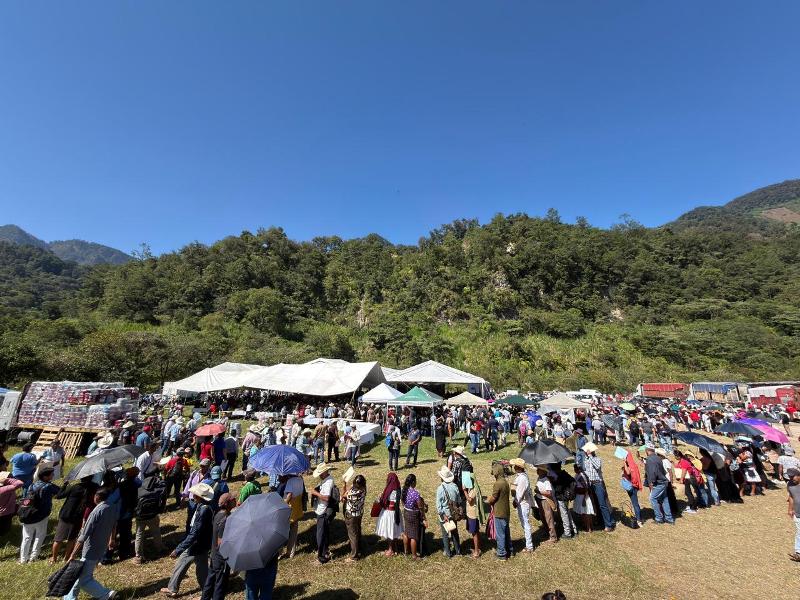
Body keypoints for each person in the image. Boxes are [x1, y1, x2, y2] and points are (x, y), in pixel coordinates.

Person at [63, 487, 120, 600]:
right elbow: (114, 524)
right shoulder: (112, 507)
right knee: (80, 575)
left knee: (85, 579)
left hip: (90, 549)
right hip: (101, 547)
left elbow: (84, 535)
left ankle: (107, 594)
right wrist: (112, 539)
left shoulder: (96, 511)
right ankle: (69, 598)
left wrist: (73, 554)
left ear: (97, 497)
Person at [161, 483, 215, 598]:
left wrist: (178, 549)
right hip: (201, 544)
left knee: (195, 568)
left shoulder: (204, 510)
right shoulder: (202, 507)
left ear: (200, 497)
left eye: (195, 494)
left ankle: (206, 593)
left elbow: (195, 532)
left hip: (197, 544)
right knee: (198, 568)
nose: (193, 496)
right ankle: (174, 589)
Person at [19, 466, 60, 563]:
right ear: (45, 477)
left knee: (26, 538)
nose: (53, 475)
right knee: (39, 536)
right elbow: (60, 491)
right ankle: (33, 557)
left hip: (28, 514)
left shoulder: (32, 485)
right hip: (41, 515)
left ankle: (23, 559)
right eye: (51, 474)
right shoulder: (48, 486)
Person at [200, 492, 236, 600]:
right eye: (233, 500)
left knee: (210, 581)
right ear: (227, 503)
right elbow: (221, 542)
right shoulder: (226, 519)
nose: (235, 500)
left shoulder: (218, 514)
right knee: (220, 585)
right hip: (222, 558)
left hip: (214, 555)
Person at [581, 442, 614, 531]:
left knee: (603, 504)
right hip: (591, 484)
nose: (584, 452)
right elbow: (587, 472)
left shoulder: (597, 459)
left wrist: (590, 456)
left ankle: (609, 524)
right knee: (596, 504)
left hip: (598, 484)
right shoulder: (586, 460)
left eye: (586, 451)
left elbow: (597, 466)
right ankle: (600, 521)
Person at [134, 472, 165, 564]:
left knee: (139, 535)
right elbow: (164, 488)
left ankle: (139, 555)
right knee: (156, 532)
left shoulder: (138, 490)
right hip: (152, 515)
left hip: (140, 516)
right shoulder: (157, 490)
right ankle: (160, 548)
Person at [309, 463, 336, 564]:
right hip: (322, 509)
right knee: (324, 532)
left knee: (320, 534)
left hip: (323, 511)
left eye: (320, 473)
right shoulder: (327, 479)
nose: (319, 475)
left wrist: (315, 493)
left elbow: (326, 498)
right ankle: (325, 551)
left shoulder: (328, 482)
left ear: (325, 472)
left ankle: (322, 557)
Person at [487, 462, 512, 560]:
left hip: (499, 512)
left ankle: (501, 554)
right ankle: (509, 550)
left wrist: (487, 501)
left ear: (496, 473)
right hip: (506, 511)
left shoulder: (498, 484)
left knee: (500, 534)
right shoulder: (505, 482)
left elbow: (493, 498)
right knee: (506, 532)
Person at [436, 466, 462, 558]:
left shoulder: (440, 489)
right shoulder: (455, 486)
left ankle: (447, 552)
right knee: (455, 532)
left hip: (445, 515)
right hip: (453, 513)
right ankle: (458, 550)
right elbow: (459, 500)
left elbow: (438, 506)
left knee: (445, 534)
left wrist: (443, 515)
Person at [376, 472, 404, 556]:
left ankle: (390, 550)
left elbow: (383, 501)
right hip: (396, 512)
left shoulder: (389, 489)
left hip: (389, 513)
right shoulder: (399, 489)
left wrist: (380, 498)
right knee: (394, 529)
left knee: (389, 530)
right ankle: (395, 547)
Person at [645, 445, 674, 525]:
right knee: (664, 499)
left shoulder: (649, 459)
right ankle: (669, 518)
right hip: (663, 481)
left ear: (647, 450)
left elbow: (652, 472)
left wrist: (651, 482)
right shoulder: (658, 458)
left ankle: (659, 518)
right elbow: (662, 470)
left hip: (658, 482)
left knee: (653, 498)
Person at [510, 458, 534, 552]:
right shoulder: (520, 476)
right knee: (524, 522)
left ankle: (529, 545)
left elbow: (520, 493)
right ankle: (528, 541)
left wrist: (515, 501)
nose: (514, 467)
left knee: (525, 523)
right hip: (522, 502)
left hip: (523, 503)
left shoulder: (522, 478)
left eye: (516, 466)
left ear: (519, 467)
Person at [401, 473, 427, 559]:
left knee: (406, 533)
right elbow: (420, 507)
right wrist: (424, 517)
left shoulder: (404, 490)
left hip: (406, 512)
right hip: (413, 515)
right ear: (413, 482)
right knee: (414, 536)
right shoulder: (415, 493)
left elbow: (403, 502)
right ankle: (414, 555)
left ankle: (406, 552)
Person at [280, 472, 304, 559]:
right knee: (294, 531)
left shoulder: (290, 481)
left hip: (289, 508)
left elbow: (289, 495)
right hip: (297, 507)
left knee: (282, 531)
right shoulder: (300, 479)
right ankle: (291, 552)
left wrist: (283, 505)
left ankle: (279, 552)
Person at [343, 474, 367, 562]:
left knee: (352, 535)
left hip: (351, 515)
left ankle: (354, 556)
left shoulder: (352, 494)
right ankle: (359, 547)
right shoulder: (364, 489)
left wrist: (344, 484)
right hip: (359, 512)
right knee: (358, 530)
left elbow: (343, 497)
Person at [463, 470, 486, 558]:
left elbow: (470, 500)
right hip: (471, 513)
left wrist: (464, 491)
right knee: (475, 531)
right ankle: (477, 547)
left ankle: (476, 552)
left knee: (474, 533)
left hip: (473, 514)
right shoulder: (471, 487)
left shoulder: (473, 490)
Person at [551, 463, 576, 539]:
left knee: (564, 515)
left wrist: (553, 482)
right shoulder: (564, 473)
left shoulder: (558, 476)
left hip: (561, 498)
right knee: (567, 513)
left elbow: (558, 489)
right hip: (566, 497)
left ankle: (567, 533)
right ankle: (574, 529)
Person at [534, 466, 559, 544]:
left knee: (549, 519)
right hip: (540, 500)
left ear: (543, 471)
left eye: (539, 470)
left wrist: (539, 492)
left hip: (545, 501)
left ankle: (553, 537)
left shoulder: (546, 480)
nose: (537, 471)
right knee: (543, 517)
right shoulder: (539, 478)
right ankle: (547, 532)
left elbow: (549, 493)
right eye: (537, 469)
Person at [621, 448, 644, 528]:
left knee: (635, 504)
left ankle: (639, 520)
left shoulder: (629, 465)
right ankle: (639, 517)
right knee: (635, 503)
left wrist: (624, 462)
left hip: (632, 487)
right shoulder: (633, 464)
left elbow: (628, 472)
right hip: (635, 485)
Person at [572, 463, 595, 532]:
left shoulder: (581, 476)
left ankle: (589, 528)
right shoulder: (578, 475)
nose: (574, 470)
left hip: (583, 497)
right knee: (584, 513)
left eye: (576, 469)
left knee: (585, 513)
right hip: (580, 496)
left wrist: (584, 499)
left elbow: (586, 488)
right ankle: (587, 526)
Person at [0, 471, 23, 537]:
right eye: (10, 478)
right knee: (4, 528)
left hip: (7, 510)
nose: (12, 478)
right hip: (5, 512)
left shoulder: (6, 487)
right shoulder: (4, 489)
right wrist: (6, 480)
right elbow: (20, 483)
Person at [786, 467, 800, 563]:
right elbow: (791, 496)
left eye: (793, 477)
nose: (791, 479)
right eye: (789, 477)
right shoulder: (789, 484)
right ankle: (798, 553)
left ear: (799, 475)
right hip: (798, 513)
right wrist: (790, 509)